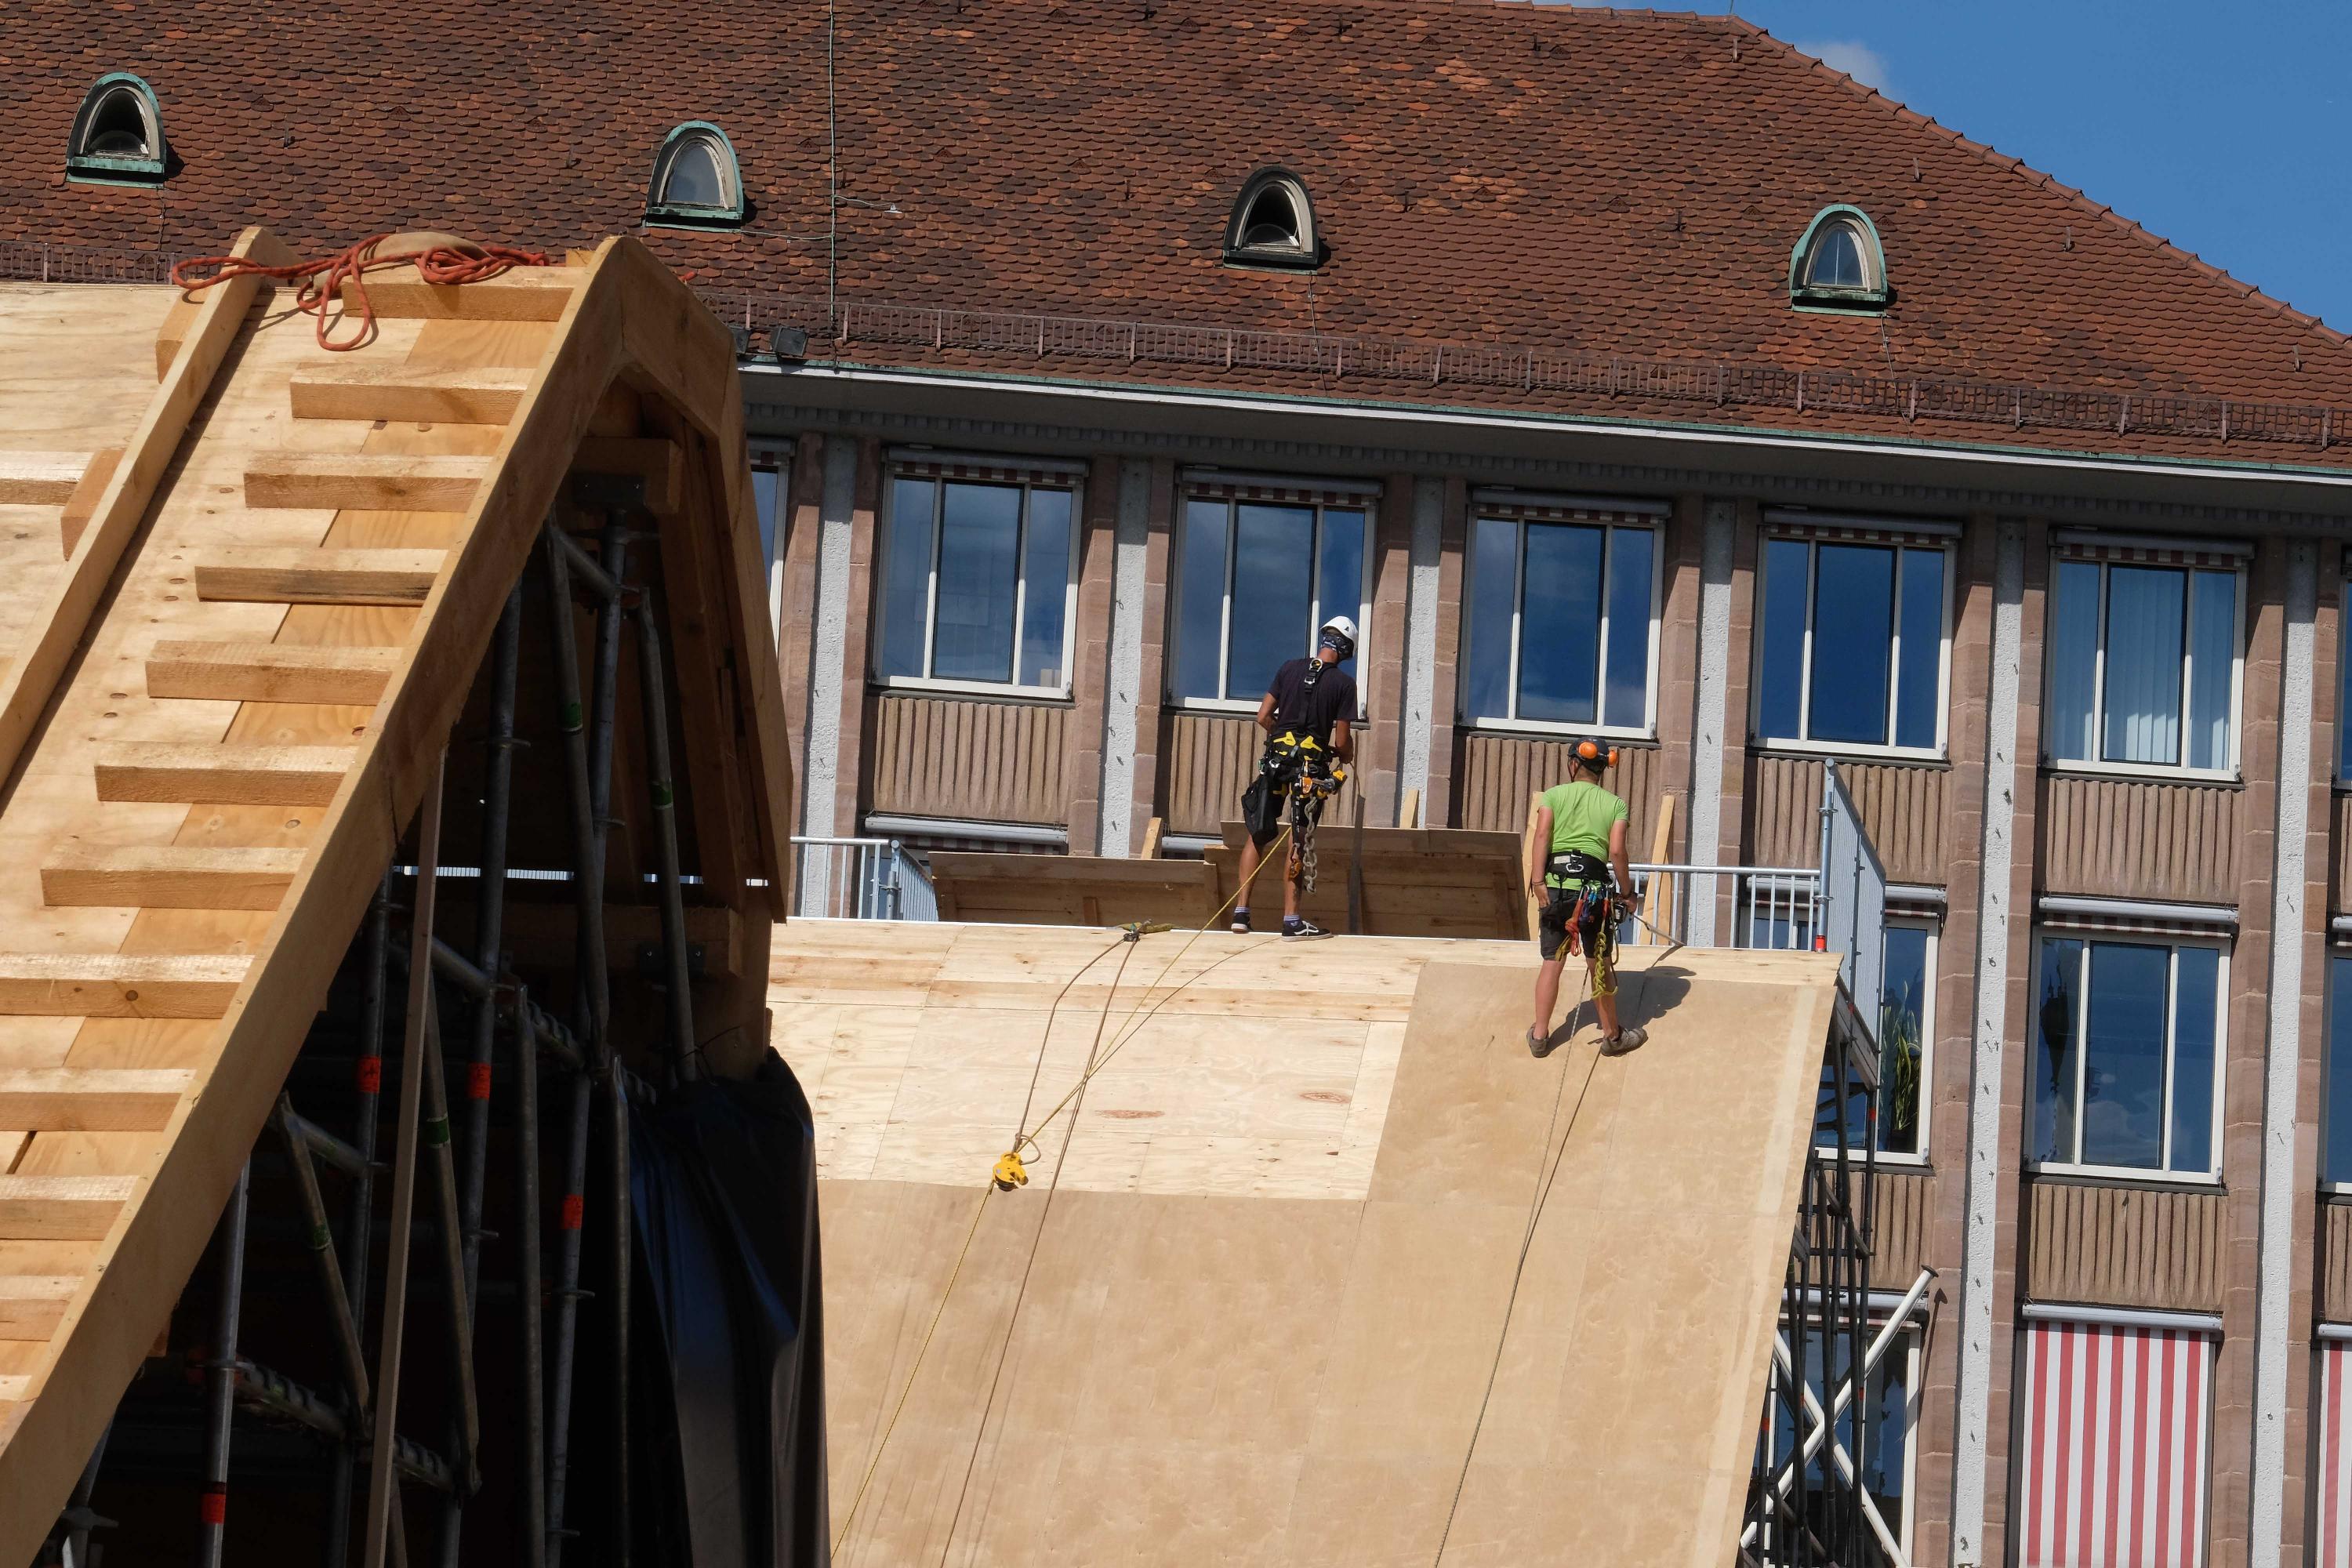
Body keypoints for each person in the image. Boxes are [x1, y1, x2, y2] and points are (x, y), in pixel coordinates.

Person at [1232, 614, 1359, 939]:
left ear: (1324, 640)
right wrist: (1343, 755)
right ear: (1345, 651)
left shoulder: (1289, 668)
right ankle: (1291, 920)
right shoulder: (1343, 685)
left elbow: (1263, 716)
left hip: (1276, 763)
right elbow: (1342, 741)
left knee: (1258, 833)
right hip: (1308, 772)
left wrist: (1282, 739)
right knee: (1297, 838)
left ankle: (1241, 914)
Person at [1526, 739, 1648, 1058]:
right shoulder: (1615, 804)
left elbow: (1542, 836)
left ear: (1573, 764)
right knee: (1599, 964)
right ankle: (1613, 1037)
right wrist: (1627, 893)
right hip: (1592, 893)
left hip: (1554, 886)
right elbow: (1617, 851)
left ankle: (1539, 1035)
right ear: (1603, 769)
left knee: (1552, 961)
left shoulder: (1553, 795)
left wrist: (1538, 881)